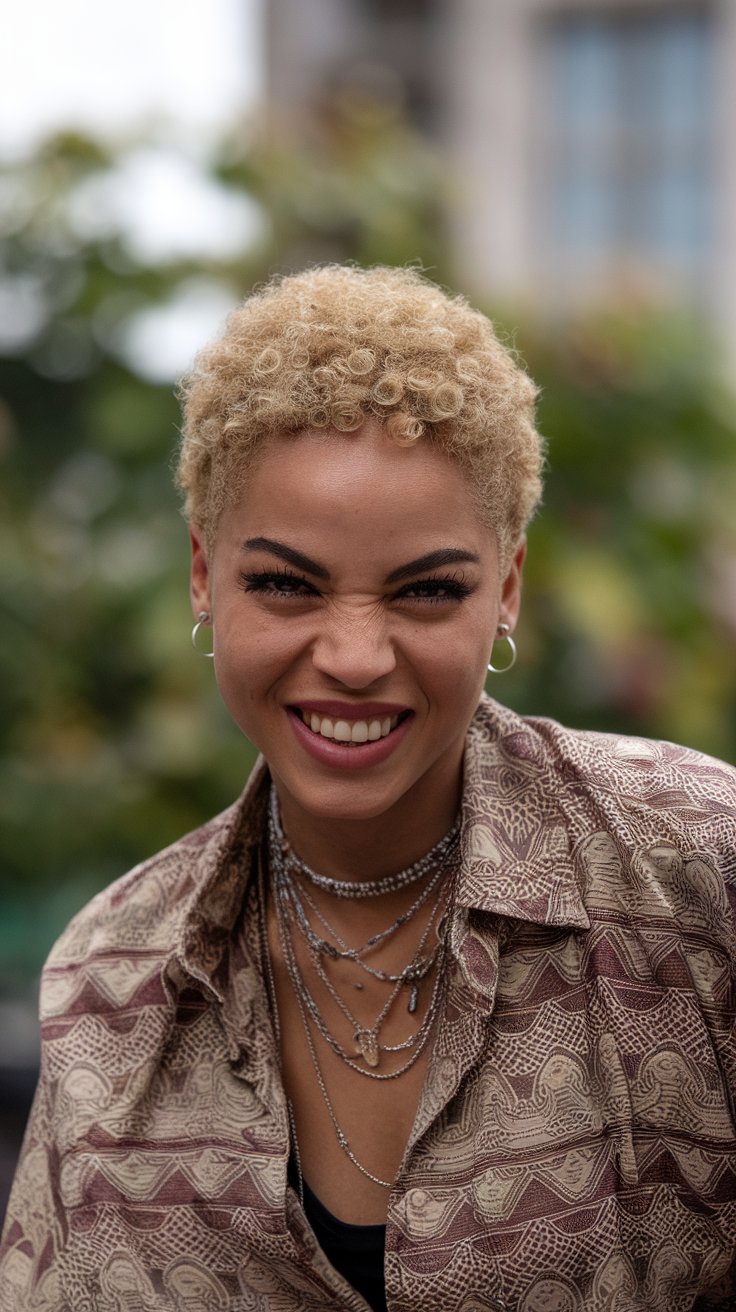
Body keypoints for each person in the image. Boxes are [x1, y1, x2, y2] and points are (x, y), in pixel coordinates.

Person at [2, 265, 736, 1312]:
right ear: (204, 575)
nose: (352, 655)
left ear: (509, 586)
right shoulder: (114, 986)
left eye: (427, 589)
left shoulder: (697, 874)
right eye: (286, 584)